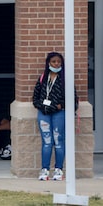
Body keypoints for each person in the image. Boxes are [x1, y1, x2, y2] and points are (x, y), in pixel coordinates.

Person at [32, 51, 73, 181]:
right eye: (53, 62)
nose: (56, 64)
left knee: (58, 141)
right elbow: (35, 98)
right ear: (48, 63)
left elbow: (73, 99)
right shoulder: (43, 78)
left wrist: (60, 105)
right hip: (44, 113)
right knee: (47, 142)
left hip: (59, 113)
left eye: (58, 62)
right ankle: (44, 170)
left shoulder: (65, 79)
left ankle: (58, 170)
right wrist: (42, 106)